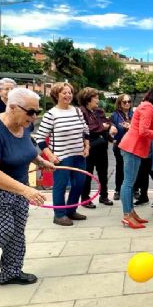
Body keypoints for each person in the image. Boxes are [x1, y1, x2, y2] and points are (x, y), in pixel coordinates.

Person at [0, 88, 55, 288]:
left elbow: (27, 148)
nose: (34, 117)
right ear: (13, 107)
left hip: (18, 184)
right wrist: (26, 191)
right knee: (0, 232)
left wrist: (39, 160)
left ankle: (11, 272)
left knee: (17, 232)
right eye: (30, 112)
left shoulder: (23, 125)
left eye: (37, 112)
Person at [36, 82, 89, 227]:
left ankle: (71, 210)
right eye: (64, 92)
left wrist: (87, 147)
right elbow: (40, 138)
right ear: (56, 95)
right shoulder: (51, 114)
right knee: (60, 185)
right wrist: (50, 156)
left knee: (79, 183)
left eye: (70, 92)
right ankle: (59, 215)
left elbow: (85, 130)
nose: (68, 95)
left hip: (79, 154)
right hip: (61, 156)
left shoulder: (77, 111)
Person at [118, 85, 153, 228]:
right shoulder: (148, 107)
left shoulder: (147, 106)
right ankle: (127, 215)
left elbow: (147, 129)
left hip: (134, 148)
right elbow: (143, 131)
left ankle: (131, 212)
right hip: (132, 147)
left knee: (130, 182)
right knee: (128, 183)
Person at [78, 87, 117, 208]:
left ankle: (104, 196)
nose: (98, 100)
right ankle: (85, 198)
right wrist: (103, 127)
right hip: (88, 147)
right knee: (87, 173)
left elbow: (107, 122)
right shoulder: (81, 111)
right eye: (96, 97)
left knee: (103, 172)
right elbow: (87, 128)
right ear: (88, 99)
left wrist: (110, 126)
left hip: (101, 146)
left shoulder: (99, 111)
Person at [111, 94, 134, 200]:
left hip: (133, 145)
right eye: (124, 102)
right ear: (119, 103)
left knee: (133, 168)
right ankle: (118, 190)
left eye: (129, 101)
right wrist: (112, 132)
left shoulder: (133, 114)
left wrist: (131, 127)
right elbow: (109, 128)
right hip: (120, 145)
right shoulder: (114, 115)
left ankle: (135, 189)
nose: (127, 104)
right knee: (120, 167)